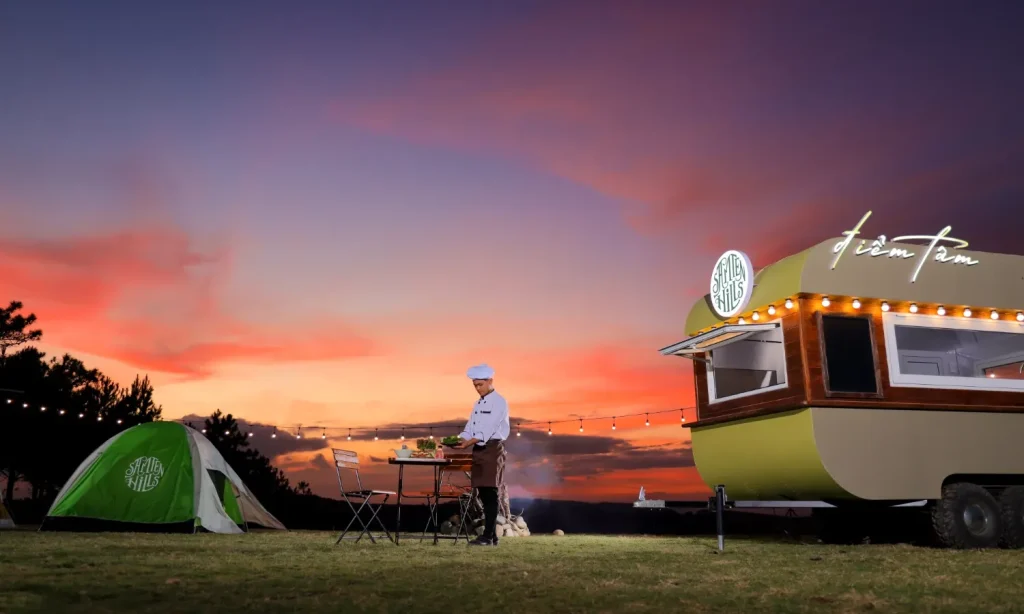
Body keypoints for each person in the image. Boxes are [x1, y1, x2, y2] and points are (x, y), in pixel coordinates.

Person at [455, 363, 509, 546]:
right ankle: (492, 536)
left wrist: (467, 443)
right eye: (475, 385)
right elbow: (470, 427)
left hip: (492, 449)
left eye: (480, 384)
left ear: (490, 381)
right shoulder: (478, 404)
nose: (477, 388)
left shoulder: (499, 402)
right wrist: (459, 440)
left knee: (491, 492)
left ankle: (487, 536)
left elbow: (488, 429)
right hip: (478, 449)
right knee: (484, 493)